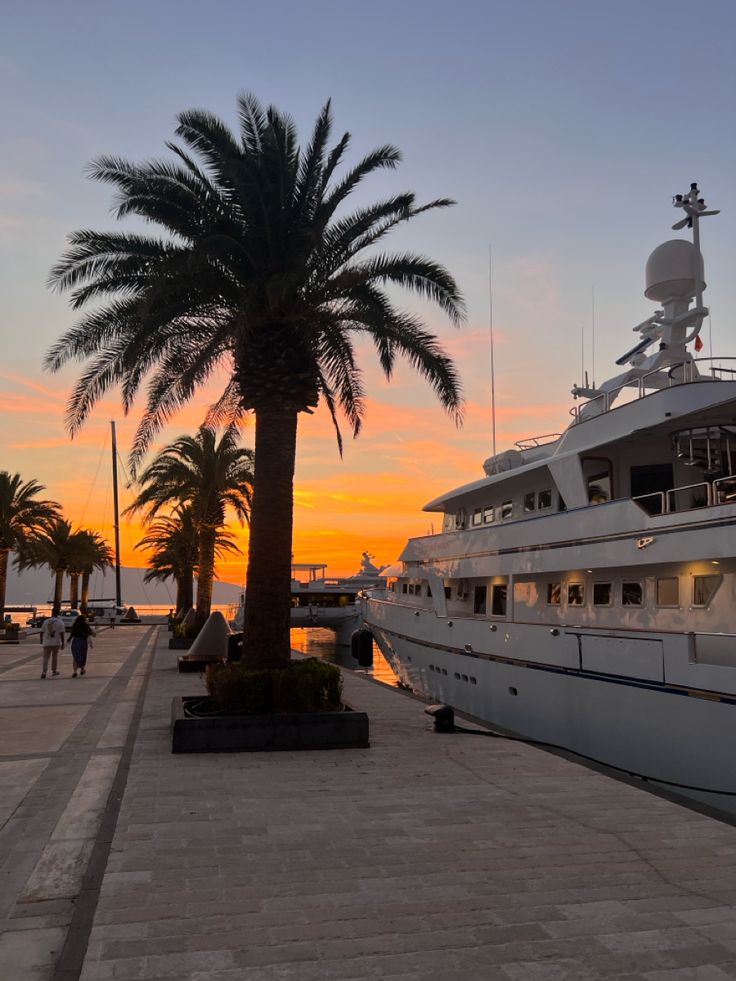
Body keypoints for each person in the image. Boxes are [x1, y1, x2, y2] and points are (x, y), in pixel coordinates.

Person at [40, 608, 65, 679]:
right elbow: (62, 633)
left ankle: (44, 672)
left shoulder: (46, 621)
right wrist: (63, 643)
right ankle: (54, 671)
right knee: (54, 657)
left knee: (45, 658)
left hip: (46, 642)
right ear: (58, 613)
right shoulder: (60, 622)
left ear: (52, 613)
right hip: (56, 643)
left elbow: (41, 632)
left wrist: (41, 640)